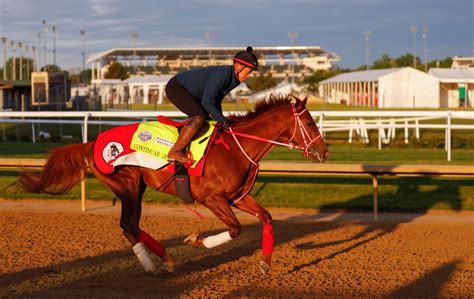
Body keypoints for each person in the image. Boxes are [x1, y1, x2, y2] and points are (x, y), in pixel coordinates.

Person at [165, 46, 259, 163]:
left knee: (209, 123)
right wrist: (223, 120)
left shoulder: (233, 79)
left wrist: (220, 120)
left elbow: (216, 101)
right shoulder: (223, 74)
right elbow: (207, 102)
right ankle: (175, 151)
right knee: (200, 118)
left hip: (192, 93)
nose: (248, 75)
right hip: (176, 88)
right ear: (238, 66)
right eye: (248, 72)